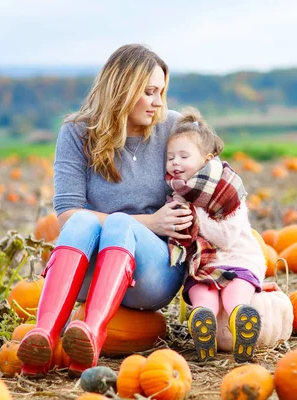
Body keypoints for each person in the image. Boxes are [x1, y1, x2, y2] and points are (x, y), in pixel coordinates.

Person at [17, 44, 193, 377]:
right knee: (85, 219)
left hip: (153, 272)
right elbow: (68, 215)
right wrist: (149, 220)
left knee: (120, 226)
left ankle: (93, 331)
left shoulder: (173, 128)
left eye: (161, 92)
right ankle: (45, 335)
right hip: (91, 271)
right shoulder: (75, 133)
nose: (158, 101)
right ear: (123, 90)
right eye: (149, 92)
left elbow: (213, 175)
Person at [165, 107, 265, 363]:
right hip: (205, 264)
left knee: (234, 293)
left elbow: (226, 238)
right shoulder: (180, 194)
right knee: (201, 292)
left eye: (183, 156)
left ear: (206, 159)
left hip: (239, 259)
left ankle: (241, 320)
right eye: (170, 157)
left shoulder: (228, 190)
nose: (175, 163)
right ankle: (203, 325)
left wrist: (195, 217)